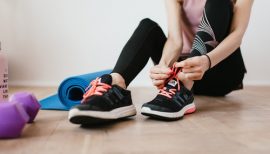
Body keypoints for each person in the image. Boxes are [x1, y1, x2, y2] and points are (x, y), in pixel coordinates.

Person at [68, 0, 254, 124]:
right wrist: (164, 65)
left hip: (219, 68)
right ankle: (116, 87)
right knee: (147, 27)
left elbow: (237, 35)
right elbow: (175, 39)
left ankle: (183, 86)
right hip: (181, 69)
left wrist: (206, 60)